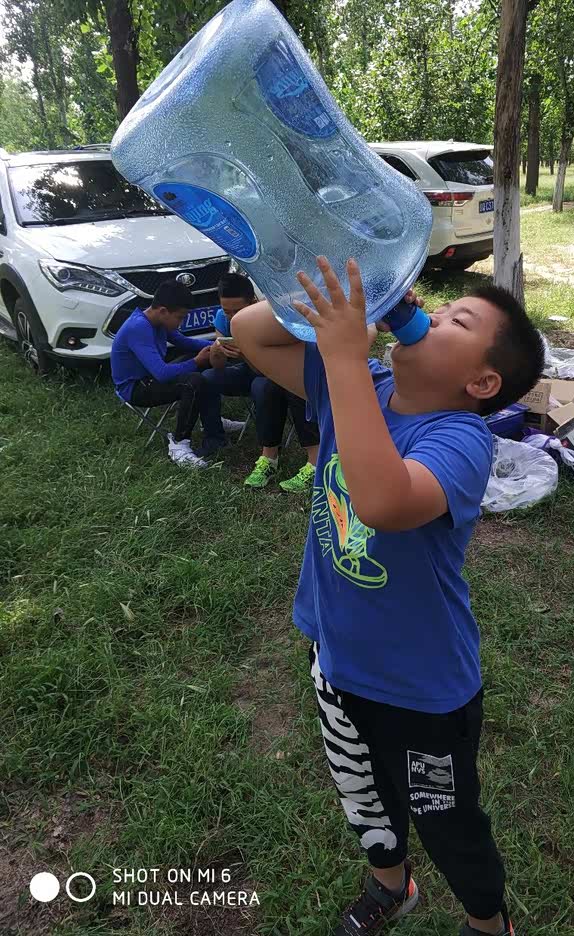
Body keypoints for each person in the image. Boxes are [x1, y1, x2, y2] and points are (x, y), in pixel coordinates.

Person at [234, 255, 544, 936]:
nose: (430, 315)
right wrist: (352, 294)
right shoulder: (363, 386)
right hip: (337, 655)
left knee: (447, 820)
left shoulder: (460, 439)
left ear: (481, 382)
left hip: (421, 688)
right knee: (363, 794)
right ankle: (390, 884)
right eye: (440, 306)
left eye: (457, 320)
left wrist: (344, 357)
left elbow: (382, 502)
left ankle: (487, 922)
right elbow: (251, 331)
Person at [205, 272, 320, 492]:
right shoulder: (222, 318)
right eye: (227, 311)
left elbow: (265, 369)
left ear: (253, 303)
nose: (231, 317)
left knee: (265, 387)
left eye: (237, 311)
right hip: (246, 367)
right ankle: (214, 439)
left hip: (271, 370)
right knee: (207, 378)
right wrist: (217, 351)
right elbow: (217, 365)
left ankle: (278, 458)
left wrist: (247, 352)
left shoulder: (269, 318)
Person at [111, 279, 235, 468]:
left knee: (204, 363)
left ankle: (212, 422)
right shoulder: (138, 327)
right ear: (163, 311)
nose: (181, 322)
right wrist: (196, 361)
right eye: (180, 317)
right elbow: (162, 373)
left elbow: (186, 342)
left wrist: (219, 346)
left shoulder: (158, 321)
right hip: (136, 388)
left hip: (151, 378)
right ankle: (179, 443)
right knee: (193, 381)